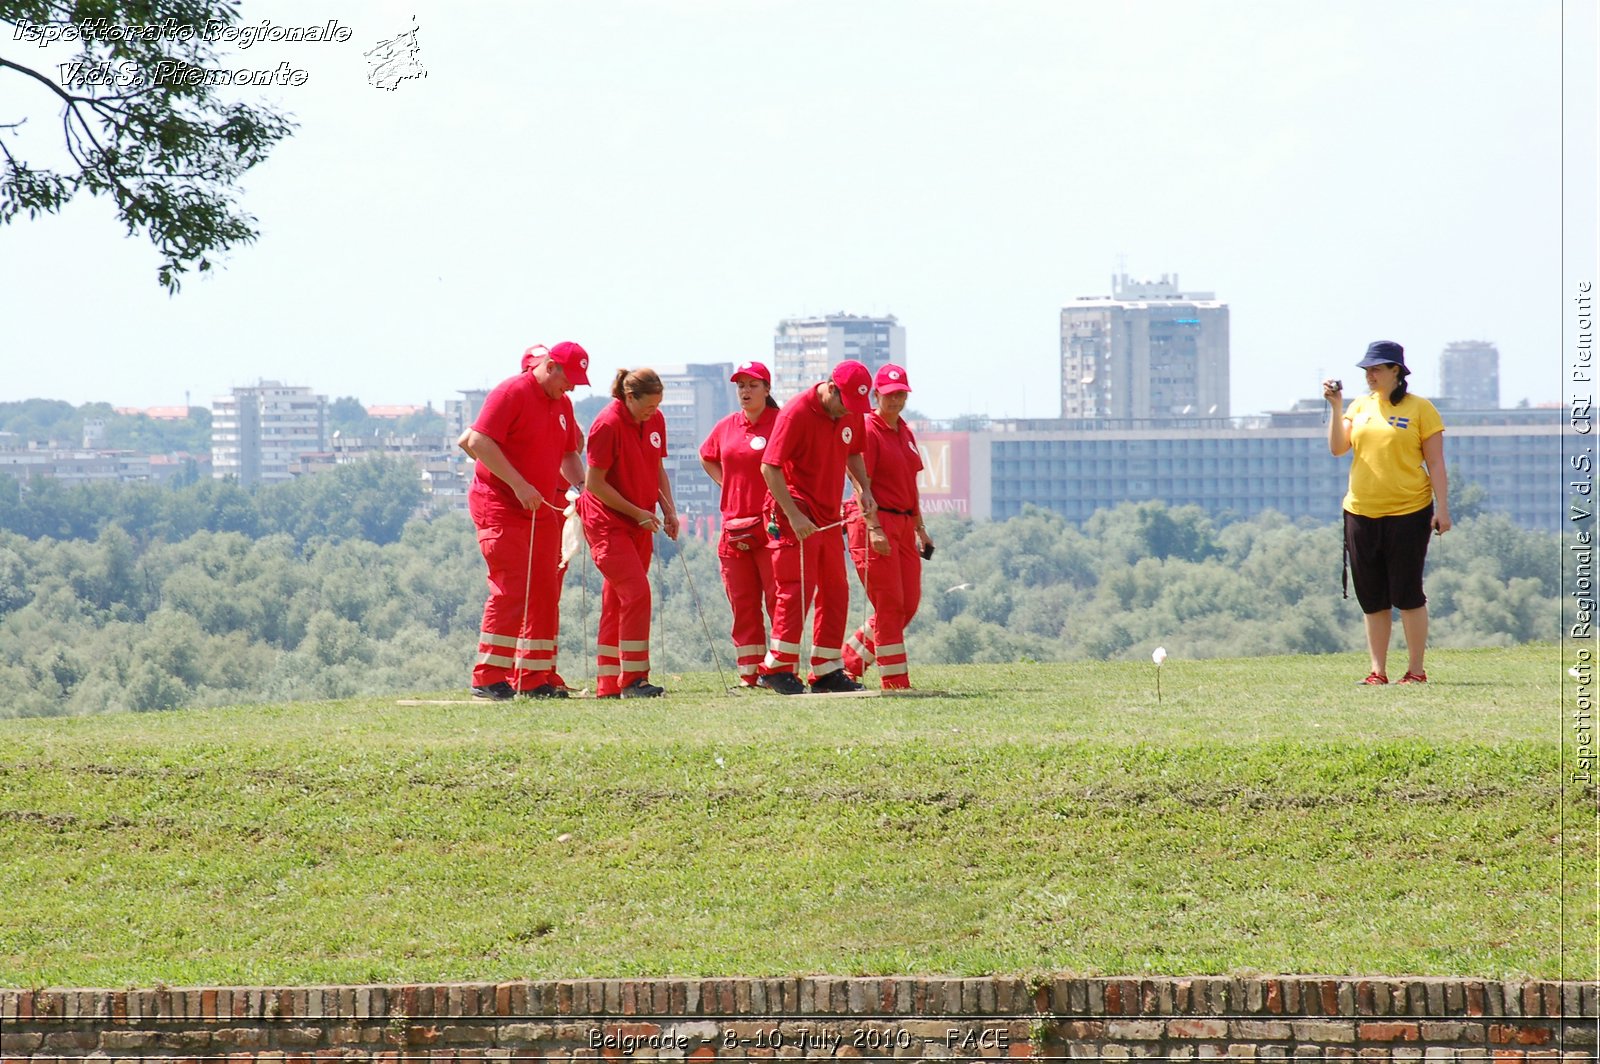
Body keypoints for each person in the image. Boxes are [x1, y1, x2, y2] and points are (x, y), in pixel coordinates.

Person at [459, 341, 590, 700]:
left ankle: (533, 677)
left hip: (542, 508)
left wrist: (582, 487)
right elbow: (477, 441)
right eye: (569, 378)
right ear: (550, 367)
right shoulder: (511, 392)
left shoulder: (561, 403)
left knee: (546, 588)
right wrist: (518, 485)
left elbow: (568, 454)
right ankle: (488, 676)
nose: (573, 387)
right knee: (512, 588)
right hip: (501, 505)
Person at [1324, 340, 1451, 685]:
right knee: (1372, 595)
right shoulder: (1359, 406)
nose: (1371, 375)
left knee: (1407, 592)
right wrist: (1336, 408)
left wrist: (1443, 508)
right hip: (1361, 511)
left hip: (1409, 511)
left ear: (1397, 371)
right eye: (1367, 370)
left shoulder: (1420, 409)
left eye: (1377, 369)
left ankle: (1416, 670)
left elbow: (1436, 461)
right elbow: (1338, 448)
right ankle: (1378, 671)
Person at [758, 360, 879, 695]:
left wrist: (863, 489)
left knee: (836, 589)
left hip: (828, 515)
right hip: (795, 511)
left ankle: (826, 671)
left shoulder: (850, 409)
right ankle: (777, 669)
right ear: (831, 387)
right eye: (844, 404)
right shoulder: (797, 412)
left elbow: (853, 452)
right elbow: (770, 468)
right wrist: (794, 516)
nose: (847, 413)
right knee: (796, 590)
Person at [577, 367, 679, 698]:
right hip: (607, 523)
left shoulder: (655, 421)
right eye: (649, 406)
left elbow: (656, 468)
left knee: (617, 600)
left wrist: (669, 510)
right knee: (637, 593)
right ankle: (635, 679)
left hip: (640, 521)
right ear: (629, 397)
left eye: (658, 405)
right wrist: (637, 513)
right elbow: (594, 483)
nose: (654, 412)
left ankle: (608, 683)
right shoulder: (607, 425)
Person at [842, 364, 934, 690]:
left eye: (900, 394)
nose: (895, 400)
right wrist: (873, 527)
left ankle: (847, 662)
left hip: (905, 523)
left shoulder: (904, 431)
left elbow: (911, 484)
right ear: (876, 394)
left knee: (908, 604)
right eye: (889, 394)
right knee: (890, 604)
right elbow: (859, 481)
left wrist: (920, 528)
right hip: (875, 522)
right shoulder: (868, 429)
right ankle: (895, 681)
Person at [699, 360, 782, 688]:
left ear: (767, 389)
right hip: (734, 528)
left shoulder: (781, 423)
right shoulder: (726, 426)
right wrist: (728, 483)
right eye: (740, 386)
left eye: (752, 385)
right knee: (743, 603)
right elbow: (706, 456)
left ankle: (778, 670)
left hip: (773, 527)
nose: (745, 392)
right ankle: (750, 675)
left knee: (778, 600)